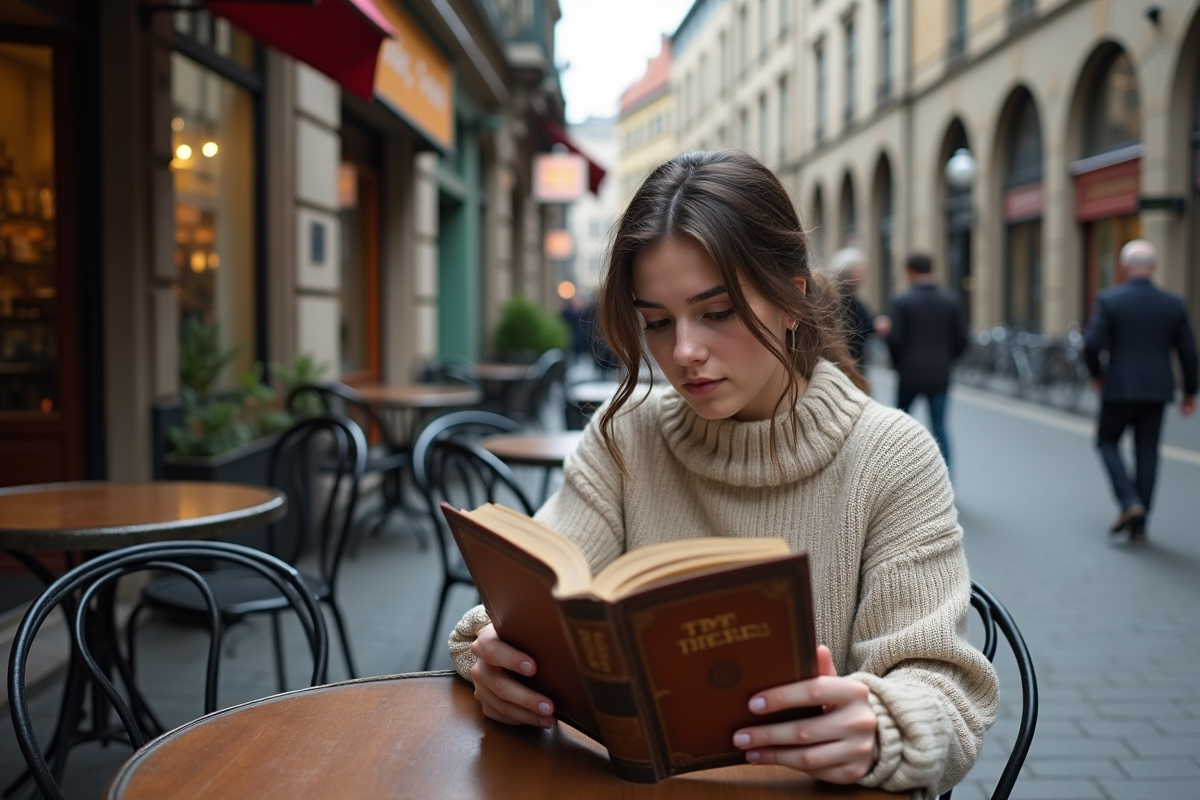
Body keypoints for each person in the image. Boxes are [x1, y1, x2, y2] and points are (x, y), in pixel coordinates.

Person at [448, 151, 997, 797]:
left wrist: (880, 725)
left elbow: (944, 692)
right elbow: (526, 601)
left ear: (793, 297)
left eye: (717, 311)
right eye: (655, 321)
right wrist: (491, 652)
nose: (682, 352)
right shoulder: (625, 437)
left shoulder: (889, 456)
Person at [1083, 239, 1198, 544]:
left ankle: (1129, 500)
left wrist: (1096, 375)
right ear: (1154, 267)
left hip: (1119, 387)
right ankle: (1140, 526)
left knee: (1107, 440)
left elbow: (1092, 343)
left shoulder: (1110, 300)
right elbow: (1188, 351)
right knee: (1147, 451)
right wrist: (1190, 391)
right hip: (1157, 389)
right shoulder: (1173, 303)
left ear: (1124, 267)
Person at [883, 254, 968, 467]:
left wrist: (897, 363)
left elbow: (895, 339)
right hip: (940, 373)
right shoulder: (950, 300)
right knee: (939, 427)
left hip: (909, 372)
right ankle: (946, 478)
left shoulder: (902, 301)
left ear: (909, 271)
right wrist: (947, 360)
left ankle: (896, 470)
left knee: (901, 426)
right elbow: (962, 339)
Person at [828, 247, 876, 372]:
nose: (865, 273)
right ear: (850, 271)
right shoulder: (846, 299)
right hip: (849, 361)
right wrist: (875, 325)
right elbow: (858, 327)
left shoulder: (844, 295)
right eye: (861, 268)